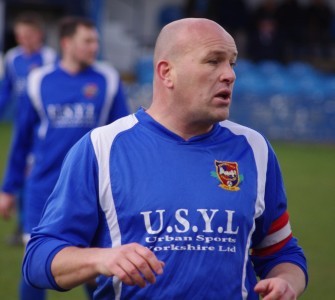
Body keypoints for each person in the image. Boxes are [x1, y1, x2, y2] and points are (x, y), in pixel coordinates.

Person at [22, 18, 307, 299]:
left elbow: (281, 251)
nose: (229, 75)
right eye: (213, 61)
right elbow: (38, 259)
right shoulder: (101, 148)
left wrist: (287, 281)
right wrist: (101, 259)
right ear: (166, 72)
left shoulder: (254, 148)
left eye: (231, 63)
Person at [0, 16, 129, 300]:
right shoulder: (38, 81)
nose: (95, 47)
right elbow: (21, 140)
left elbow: (123, 138)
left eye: (96, 40)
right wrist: (8, 189)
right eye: (88, 41)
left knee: (95, 271)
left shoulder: (107, 79)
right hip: (43, 188)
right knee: (33, 267)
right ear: (67, 43)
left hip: (93, 191)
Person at [0, 12, 57, 246]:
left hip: (42, 128)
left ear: (39, 35)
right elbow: (7, 90)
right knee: (20, 168)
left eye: (28, 35)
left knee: (35, 173)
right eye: (19, 36)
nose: (23, 40)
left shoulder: (50, 58)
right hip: (22, 125)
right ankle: (24, 226)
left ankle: (40, 224)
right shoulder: (13, 59)